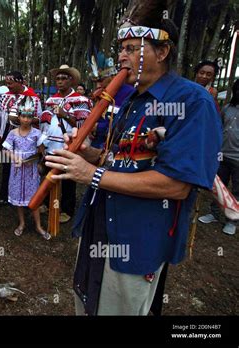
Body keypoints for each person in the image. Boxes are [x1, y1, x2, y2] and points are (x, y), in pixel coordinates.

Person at [45, 0, 222, 315]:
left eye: (131, 48)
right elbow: (118, 160)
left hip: (137, 236)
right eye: (120, 49)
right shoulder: (131, 102)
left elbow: (176, 185)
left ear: (162, 52)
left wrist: (90, 175)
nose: (121, 57)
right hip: (101, 224)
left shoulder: (193, 101)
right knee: (88, 303)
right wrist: (88, 154)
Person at [40, 64, 92, 224]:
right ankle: (47, 203)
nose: (60, 81)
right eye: (57, 79)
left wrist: (66, 114)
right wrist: (41, 143)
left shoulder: (81, 100)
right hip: (50, 145)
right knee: (49, 174)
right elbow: (44, 124)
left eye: (64, 78)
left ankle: (67, 209)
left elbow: (84, 126)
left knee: (69, 179)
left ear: (71, 80)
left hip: (70, 146)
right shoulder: (50, 100)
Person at [2, 96, 49, 240]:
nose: (26, 120)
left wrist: (39, 161)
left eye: (29, 117)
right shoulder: (13, 133)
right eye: (23, 116)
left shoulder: (36, 133)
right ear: (19, 117)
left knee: (34, 197)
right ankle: (22, 223)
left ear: (32, 118)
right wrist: (15, 157)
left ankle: (38, 226)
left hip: (31, 171)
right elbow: (5, 150)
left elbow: (42, 151)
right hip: (17, 170)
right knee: (18, 197)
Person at [199, 79, 239, 236]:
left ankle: (232, 221)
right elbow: (217, 128)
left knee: (237, 190)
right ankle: (214, 213)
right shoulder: (227, 108)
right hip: (222, 154)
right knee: (218, 186)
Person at [0, 71, 42, 205]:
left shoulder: (33, 97)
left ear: (20, 82)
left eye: (11, 83)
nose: (8, 85)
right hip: (8, 132)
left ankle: (28, 196)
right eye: (7, 83)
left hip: (26, 134)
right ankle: (6, 195)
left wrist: (20, 120)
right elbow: (0, 117)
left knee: (26, 164)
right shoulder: (4, 97)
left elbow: (38, 119)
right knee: (7, 164)